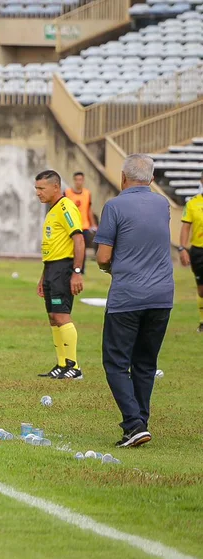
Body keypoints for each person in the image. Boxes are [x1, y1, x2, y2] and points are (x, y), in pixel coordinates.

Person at [96, 154, 175, 448]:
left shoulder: (114, 206)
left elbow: (104, 256)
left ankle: (133, 424)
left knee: (116, 363)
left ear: (122, 178)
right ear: (152, 179)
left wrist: (108, 267)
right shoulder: (162, 204)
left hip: (128, 296)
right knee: (145, 363)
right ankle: (140, 424)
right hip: (162, 296)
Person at [34, 170, 85, 380]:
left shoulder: (66, 207)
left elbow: (79, 240)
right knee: (53, 317)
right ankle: (62, 364)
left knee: (62, 315)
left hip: (64, 269)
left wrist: (77, 272)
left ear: (56, 187)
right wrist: (43, 276)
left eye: (41, 188)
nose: (37, 193)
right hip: (51, 269)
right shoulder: (52, 210)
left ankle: (74, 367)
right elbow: (52, 246)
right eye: (36, 188)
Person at [178, 174, 203, 333]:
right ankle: (202, 321)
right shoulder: (193, 203)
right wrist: (182, 248)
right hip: (199, 251)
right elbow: (186, 227)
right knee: (201, 289)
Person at [65, 171, 98, 259]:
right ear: (74, 180)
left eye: (80, 180)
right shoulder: (67, 193)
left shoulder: (87, 193)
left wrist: (93, 224)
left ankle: (80, 269)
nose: (78, 182)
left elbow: (89, 209)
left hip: (84, 225)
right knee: (71, 248)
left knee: (82, 248)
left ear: (83, 181)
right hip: (71, 225)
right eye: (76, 180)